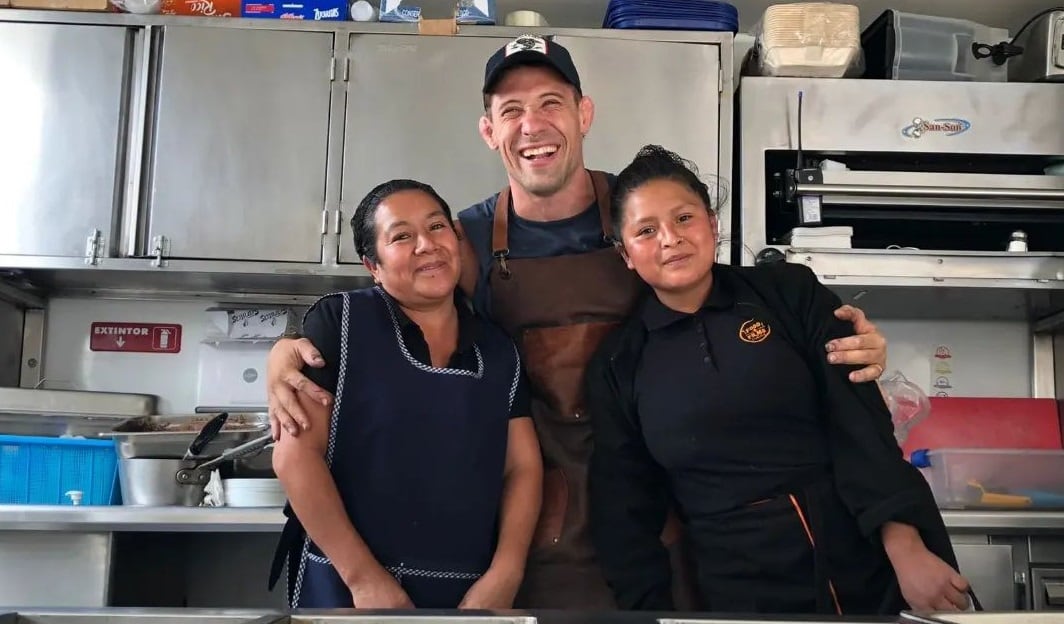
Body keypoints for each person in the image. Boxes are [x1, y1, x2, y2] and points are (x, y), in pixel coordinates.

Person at [264, 35, 891, 609]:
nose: (532, 125)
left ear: (583, 113)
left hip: (661, 508)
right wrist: (287, 349)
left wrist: (837, 337)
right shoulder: (466, 236)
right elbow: (385, 307)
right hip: (536, 523)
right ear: (488, 130)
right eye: (510, 111)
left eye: (550, 103)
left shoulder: (642, 214)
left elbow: (729, 304)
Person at [585, 145, 969, 616]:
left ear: (712, 223)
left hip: (865, 552)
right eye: (647, 230)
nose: (670, 239)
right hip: (736, 584)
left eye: (684, 218)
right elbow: (623, 511)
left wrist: (904, 545)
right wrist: (650, 612)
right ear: (626, 254)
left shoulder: (790, 293)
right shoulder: (619, 364)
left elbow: (861, 427)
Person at [267, 179, 543, 609]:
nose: (426, 245)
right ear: (372, 265)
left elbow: (522, 468)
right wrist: (363, 579)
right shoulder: (340, 323)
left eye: (436, 227)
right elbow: (294, 456)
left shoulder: (499, 349)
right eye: (401, 236)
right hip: (346, 586)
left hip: (471, 592)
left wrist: (506, 572)